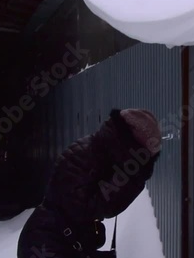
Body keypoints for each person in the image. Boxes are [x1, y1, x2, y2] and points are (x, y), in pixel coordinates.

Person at [17, 108, 162, 258]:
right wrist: (134, 178)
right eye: (141, 157)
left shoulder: (97, 152)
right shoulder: (85, 159)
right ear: (128, 147)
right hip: (43, 244)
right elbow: (95, 207)